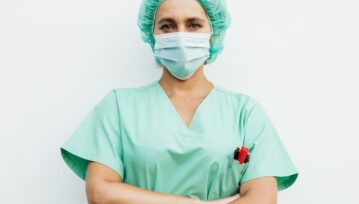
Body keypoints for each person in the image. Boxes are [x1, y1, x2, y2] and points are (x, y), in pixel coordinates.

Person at [60, 0, 299, 203]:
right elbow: (100, 192)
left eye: (193, 25)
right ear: (153, 35)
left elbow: (262, 198)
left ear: (212, 32)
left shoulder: (245, 112)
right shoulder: (118, 106)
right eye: (168, 26)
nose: (180, 35)